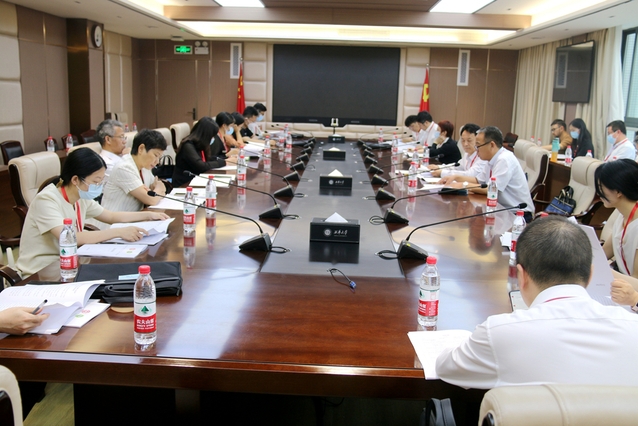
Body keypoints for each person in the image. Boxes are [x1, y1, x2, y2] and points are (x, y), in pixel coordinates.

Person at [435, 216, 638, 388]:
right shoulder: (633, 327)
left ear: (521, 275)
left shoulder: (500, 333)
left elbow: (445, 367)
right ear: (591, 274)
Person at [15, 148, 169, 277]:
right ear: (75, 180)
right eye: (95, 181)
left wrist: (148, 215)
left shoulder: (79, 196)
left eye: (101, 181)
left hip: (71, 264)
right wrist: (119, 232)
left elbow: (111, 216)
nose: (99, 186)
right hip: (42, 270)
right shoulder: (46, 200)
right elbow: (72, 238)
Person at [438, 126, 535, 221]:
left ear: (492, 145)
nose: (476, 149)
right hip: (500, 210)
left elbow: (491, 190)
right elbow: (478, 180)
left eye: (478, 145)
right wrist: (455, 177)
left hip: (517, 215)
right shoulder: (491, 159)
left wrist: (464, 185)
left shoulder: (504, 159)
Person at [100, 129, 167, 217]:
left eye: (159, 157)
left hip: (135, 218)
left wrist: (154, 192)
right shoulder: (124, 168)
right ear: (141, 149)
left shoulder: (145, 167)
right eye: (156, 155)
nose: (157, 161)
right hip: (114, 222)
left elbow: (154, 193)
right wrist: (159, 187)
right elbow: (152, 199)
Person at [596, 159, 638, 280]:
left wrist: (605, 271)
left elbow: (636, 280)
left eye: (601, 187)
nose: (599, 193)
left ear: (618, 191)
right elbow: (604, 253)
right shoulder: (621, 215)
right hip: (623, 283)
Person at [171, 117, 227, 188]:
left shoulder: (200, 144)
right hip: (184, 184)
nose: (213, 138)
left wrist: (224, 159)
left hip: (196, 180)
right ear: (205, 135)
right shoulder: (187, 145)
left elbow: (207, 158)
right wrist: (223, 162)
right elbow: (201, 166)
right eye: (212, 136)